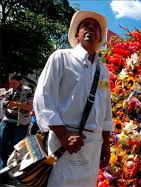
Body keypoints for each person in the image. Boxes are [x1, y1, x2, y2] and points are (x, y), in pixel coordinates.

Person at [33, 11, 113, 187]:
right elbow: (43, 98)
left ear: (100, 37)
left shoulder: (103, 70)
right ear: (77, 34)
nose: (90, 27)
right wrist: (63, 135)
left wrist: (106, 144)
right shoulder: (60, 58)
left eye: (95, 26)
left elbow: (106, 108)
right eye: (85, 25)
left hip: (93, 146)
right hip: (65, 143)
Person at [0, 72, 33, 172]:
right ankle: (2, 170)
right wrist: (6, 104)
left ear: (20, 82)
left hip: (20, 123)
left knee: (17, 148)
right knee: (2, 145)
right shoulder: (8, 92)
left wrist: (17, 104)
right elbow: (3, 106)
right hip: (7, 121)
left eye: (14, 83)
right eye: (10, 83)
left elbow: (30, 107)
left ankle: (13, 170)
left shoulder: (28, 91)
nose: (11, 85)